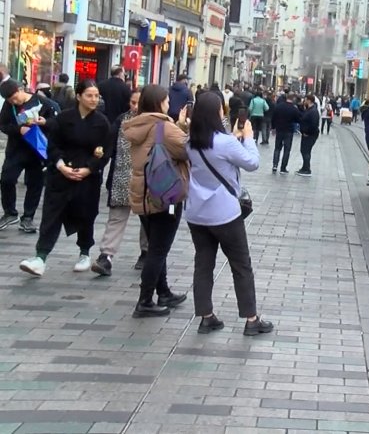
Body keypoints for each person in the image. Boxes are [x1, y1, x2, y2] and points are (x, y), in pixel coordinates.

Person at [186, 92, 273, 337]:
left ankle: (206, 317)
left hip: (197, 213)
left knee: (203, 264)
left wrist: (234, 138)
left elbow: (216, 152)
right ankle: (251, 319)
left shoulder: (190, 142)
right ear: (218, 113)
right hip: (225, 214)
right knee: (241, 265)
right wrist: (249, 138)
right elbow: (252, 163)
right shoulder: (226, 142)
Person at [19, 80, 112, 276]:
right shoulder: (63, 118)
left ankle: (84, 252)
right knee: (51, 215)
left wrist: (89, 168)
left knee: (85, 215)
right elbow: (52, 145)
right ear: (78, 96)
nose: (94, 99)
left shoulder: (102, 122)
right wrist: (60, 165)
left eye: (96, 96)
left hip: (87, 177)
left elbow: (105, 152)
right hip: (61, 174)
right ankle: (40, 257)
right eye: (89, 95)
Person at [123, 85, 190, 317]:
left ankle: (163, 292)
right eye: (167, 100)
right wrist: (184, 127)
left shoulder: (137, 125)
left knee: (155, 246)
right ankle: (144, 301)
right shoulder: (164, 127)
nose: (169, 104)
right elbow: (188, 149)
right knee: (158, 250)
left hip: (142, 193)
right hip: (164, 195)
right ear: (159, 103)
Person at [91, 89, 149, 276]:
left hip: (147, 182)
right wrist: (95, 165)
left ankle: (146, 252)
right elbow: (108, 147)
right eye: (132, 102)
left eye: (139, 103)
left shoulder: (156, 122)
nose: (135, 107)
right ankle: (106, 256)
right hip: (121, 181)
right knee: (116, 218)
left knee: (147, 219)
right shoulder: (121, 120)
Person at [0, 80, 59, 233]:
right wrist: (18, 130)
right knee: (6, 179)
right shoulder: (9, 106)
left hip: (37, 150)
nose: (14, 102)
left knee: (35, 184)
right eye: (10, 100)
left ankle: (28, 217)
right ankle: (10, 212)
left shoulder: (43, 102)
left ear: (21, 90)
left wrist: (44, 122)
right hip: (16, 150)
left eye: (15, 97)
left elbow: (57, 122)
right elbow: (3, 125)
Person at [270, 94, 300, 174]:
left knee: (277, 148)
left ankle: (275, 165)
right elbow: (298, 119)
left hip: (279, 129)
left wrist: (273, 128)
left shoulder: (279, 106)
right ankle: (283, 168)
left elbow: (273, 117)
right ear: (293, 99)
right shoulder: (294, 109)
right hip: (289, 131)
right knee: (287, 150)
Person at [297, 94, 320, 177]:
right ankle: (304, 167)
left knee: (306, 151)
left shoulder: (313, 111)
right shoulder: (309, 109)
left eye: (305, 100)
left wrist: (307, 132)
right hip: (306, 134)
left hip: (310, 135)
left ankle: (307, 169)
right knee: (304, 150)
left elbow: (314, 124)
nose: (304, 101)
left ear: (309, 100)